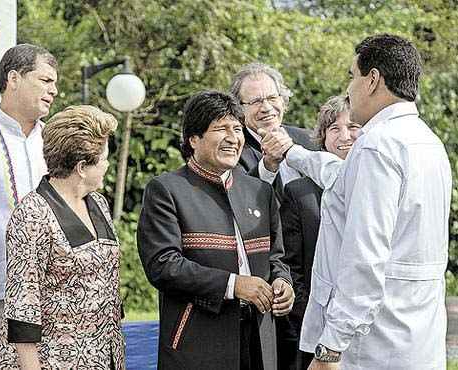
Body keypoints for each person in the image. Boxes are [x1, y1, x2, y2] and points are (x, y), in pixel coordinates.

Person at [282, 34, 451, 370]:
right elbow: (335, 175)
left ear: (372, 79)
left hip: (373, 343)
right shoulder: (429, 143)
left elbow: (364, 257)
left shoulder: (377, 146)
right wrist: (292, 153)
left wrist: (330, 348)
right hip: (420, 337)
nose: (349, 88)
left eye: (351, 76)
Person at [137, 90, 294, 370]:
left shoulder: (260, 190)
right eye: (221, 129)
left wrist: (283, 282)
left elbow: (276, 258)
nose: (233, 138)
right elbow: (163, 265)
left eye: (237, 128)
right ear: (193, 139)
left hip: (261, 340)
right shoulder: (167, 190)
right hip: (198, 342)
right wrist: (234, 285)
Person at [0, 105, 125, 369]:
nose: (108, 164)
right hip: (47, 359)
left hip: (103, 354)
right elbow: (22, 306)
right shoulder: (32, 214)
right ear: (81, 167)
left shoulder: (98, 202)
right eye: (104, 158)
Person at [0, 43, 58, 369]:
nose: (54, 90)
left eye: (55, 83)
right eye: (46, 80)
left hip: (49, 295)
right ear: (14, 78)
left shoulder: (54, 143)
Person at [277, 96, 361, 370]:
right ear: (322, 138)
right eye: (334, 129)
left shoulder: (380, 184)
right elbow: (292, 264)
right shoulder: (299, 193)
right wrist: (310, 319)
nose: (344, 136)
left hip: (367, 328)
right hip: (317, 326)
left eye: (352, 127)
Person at [229, 63, 316, 199]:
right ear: (239, 109)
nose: (267, 108)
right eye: (256, 101)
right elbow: (242, 199)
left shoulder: (310, 139)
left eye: (272, 98)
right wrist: (268, 166)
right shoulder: (233, 150)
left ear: (283, 100)